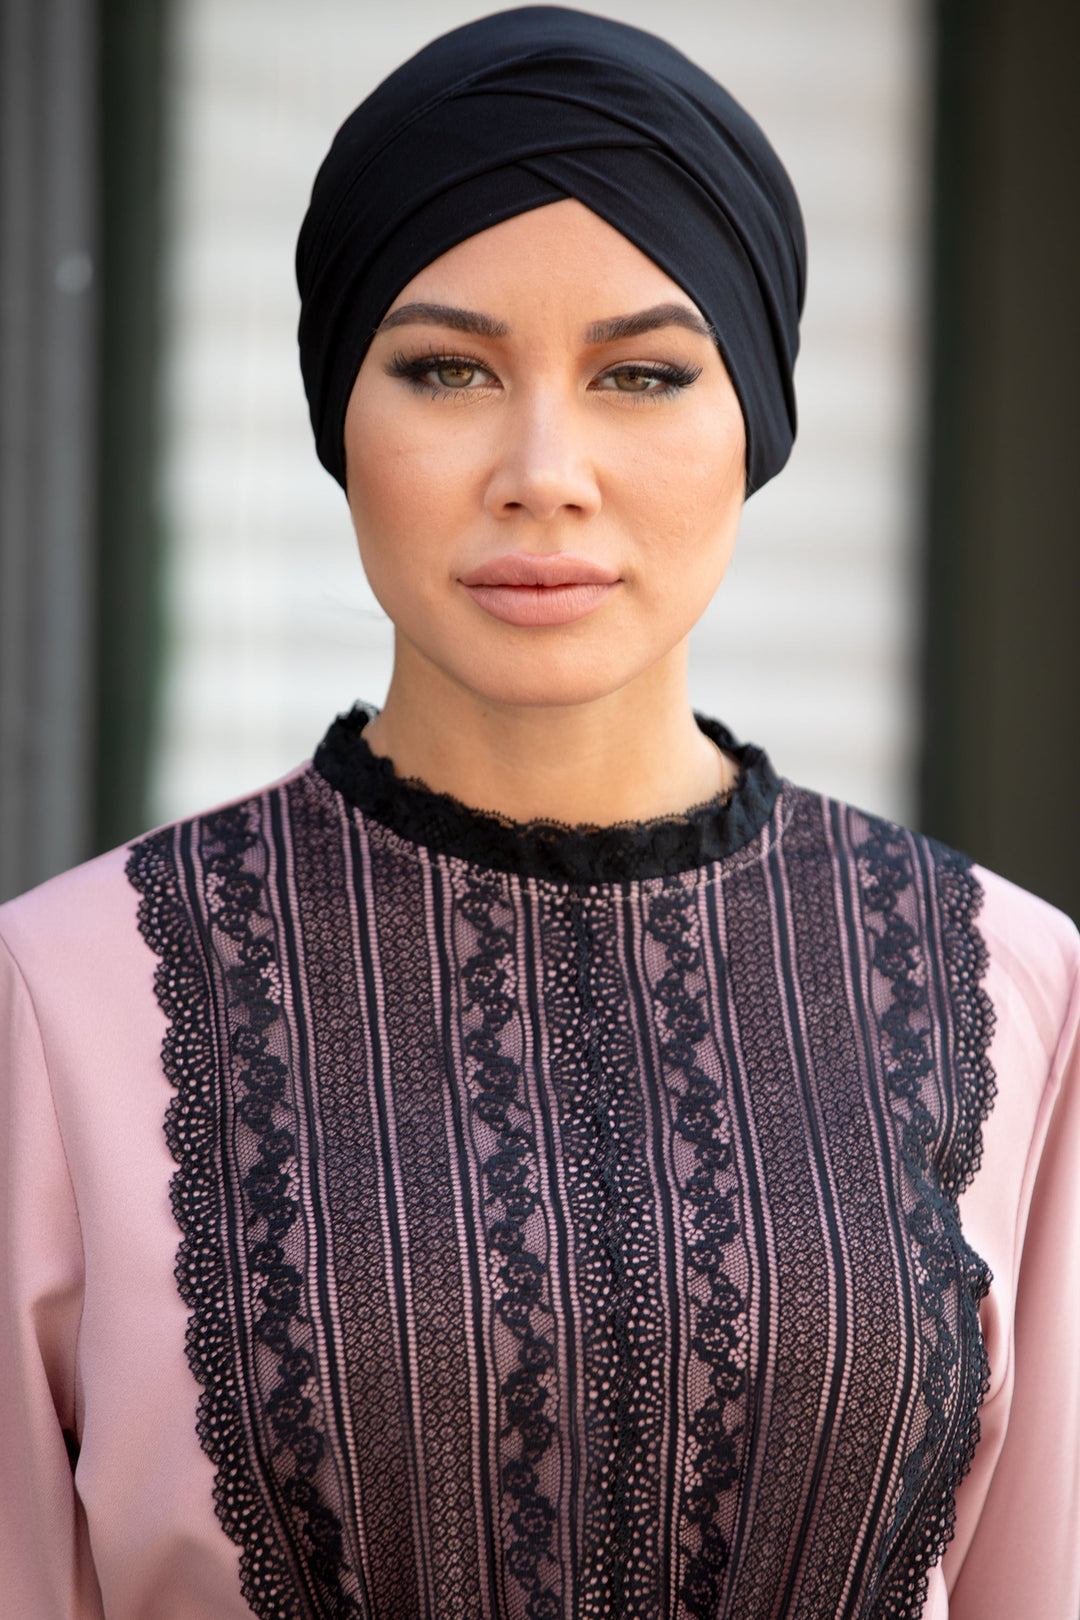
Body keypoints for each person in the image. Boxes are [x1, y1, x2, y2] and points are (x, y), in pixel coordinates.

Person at [1, 8, 1077, 1617]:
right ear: (339, 424)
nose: (544, 468)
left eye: (643, 372)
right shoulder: (62, 998)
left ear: (755, 425)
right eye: (447, 368)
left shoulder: (1011, 985)